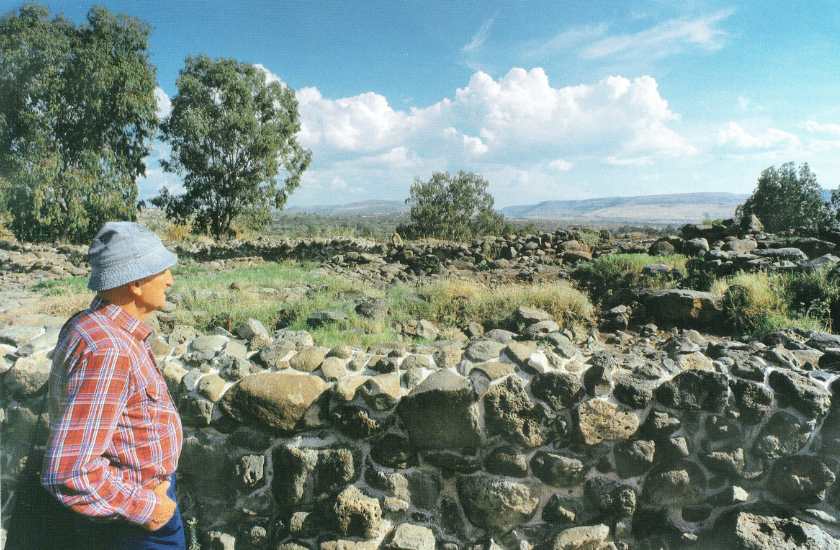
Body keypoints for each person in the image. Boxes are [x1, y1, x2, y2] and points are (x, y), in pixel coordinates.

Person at [41, 222, 185, 550]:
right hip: (134, 526)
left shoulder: (90, 326)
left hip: (129, 511)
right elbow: (68, 471)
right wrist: (149, 509)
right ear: (135, 283)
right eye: (161, 270)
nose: (170, 280)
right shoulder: (110, 349)